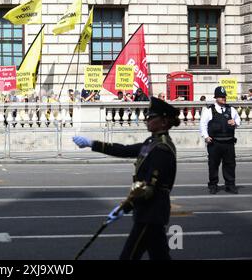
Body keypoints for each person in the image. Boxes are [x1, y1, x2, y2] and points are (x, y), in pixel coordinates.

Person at [73, 97, 180, 260]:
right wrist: (91, 143)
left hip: (150, 213)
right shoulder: (152, 142)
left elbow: (148, 189)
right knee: (160, 257)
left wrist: (124, 207)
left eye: (151, 117)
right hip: (151, 213)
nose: (147, 120)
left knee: (128, 257)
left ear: (164, 121)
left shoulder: (162, 149)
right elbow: (124, 150)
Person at [199, 86, 241, 194]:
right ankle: (213, 185)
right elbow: (203, 124)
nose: (224, 98)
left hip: (229, 142)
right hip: (214, 142)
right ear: (216, 98)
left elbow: (238, 120)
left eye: (224, 96)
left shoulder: (231, 109)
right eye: (221, 97)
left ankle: (230, 185)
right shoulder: (209, 110)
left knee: (230, 164)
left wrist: (235, 123)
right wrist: (206, 136)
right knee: (213, 165)